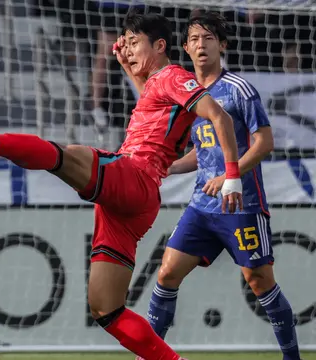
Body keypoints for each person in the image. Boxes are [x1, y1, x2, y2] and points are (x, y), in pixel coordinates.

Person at [0, 11, 244, 360]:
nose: (129, 49)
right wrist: (128, 67)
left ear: (160, 45)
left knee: (69, 155)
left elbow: (220, 116)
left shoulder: (172, 75)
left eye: (135, 43)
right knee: (106, 309)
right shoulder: (158, 83)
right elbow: (157, 109)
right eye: (127, 43)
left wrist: (232, 175)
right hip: (132, 204)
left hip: (135, 177)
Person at [142, 12, 301, 360]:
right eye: (195, 39)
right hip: (202, 205)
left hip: (240, 204)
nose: (201, 45)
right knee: (167, 273)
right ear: (185, 47)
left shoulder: (238, 89)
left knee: (260, 281)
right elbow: (202, 152)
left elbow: (265, 142)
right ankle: (149, 355)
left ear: (222, 45)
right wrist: (166, 167)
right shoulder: (190, 95)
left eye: (208, 38)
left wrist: (231, 174)